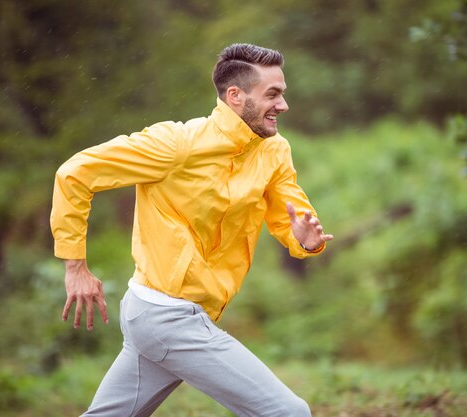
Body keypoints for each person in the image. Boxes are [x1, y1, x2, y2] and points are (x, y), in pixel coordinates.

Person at [50, 43, 334, 417]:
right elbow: (75, 174)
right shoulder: (176, 145)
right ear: (235, 96)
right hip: (165, 314)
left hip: (172, 315)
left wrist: (305, 241)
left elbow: (291, 215)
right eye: (273, 95)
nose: (283, 105)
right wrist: (75, 267)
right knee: (287, 413)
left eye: (282, 94)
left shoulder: (273, 150)